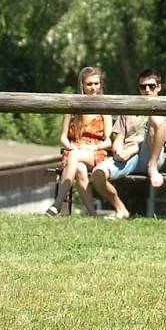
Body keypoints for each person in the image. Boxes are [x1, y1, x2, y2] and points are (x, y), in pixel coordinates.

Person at [91, 68, 166, 220]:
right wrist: (117, 149)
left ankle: (152, 167)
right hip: (128, 156)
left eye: (151, 86)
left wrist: (134, 150)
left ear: (159, 87)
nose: (147, 90)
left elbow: (160, 139)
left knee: (156, 120)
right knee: (97, 175)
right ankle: (120, 209)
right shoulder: (130, 107)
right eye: (143, 87)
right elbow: (119, 136)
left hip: (151, 154)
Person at [45, 66, 112, 217]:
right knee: (79, 168)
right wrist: (70, 146)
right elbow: (63, 137)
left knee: (74, 157)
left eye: (96, 83)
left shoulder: (105, 107)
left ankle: (56, 204)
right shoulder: (72, 107)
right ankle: (93, 214)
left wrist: (91, 148)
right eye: (89, 84)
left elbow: (108, 141)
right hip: (74, 150)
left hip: (95, 152)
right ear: (81, 85)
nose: (93, 88)